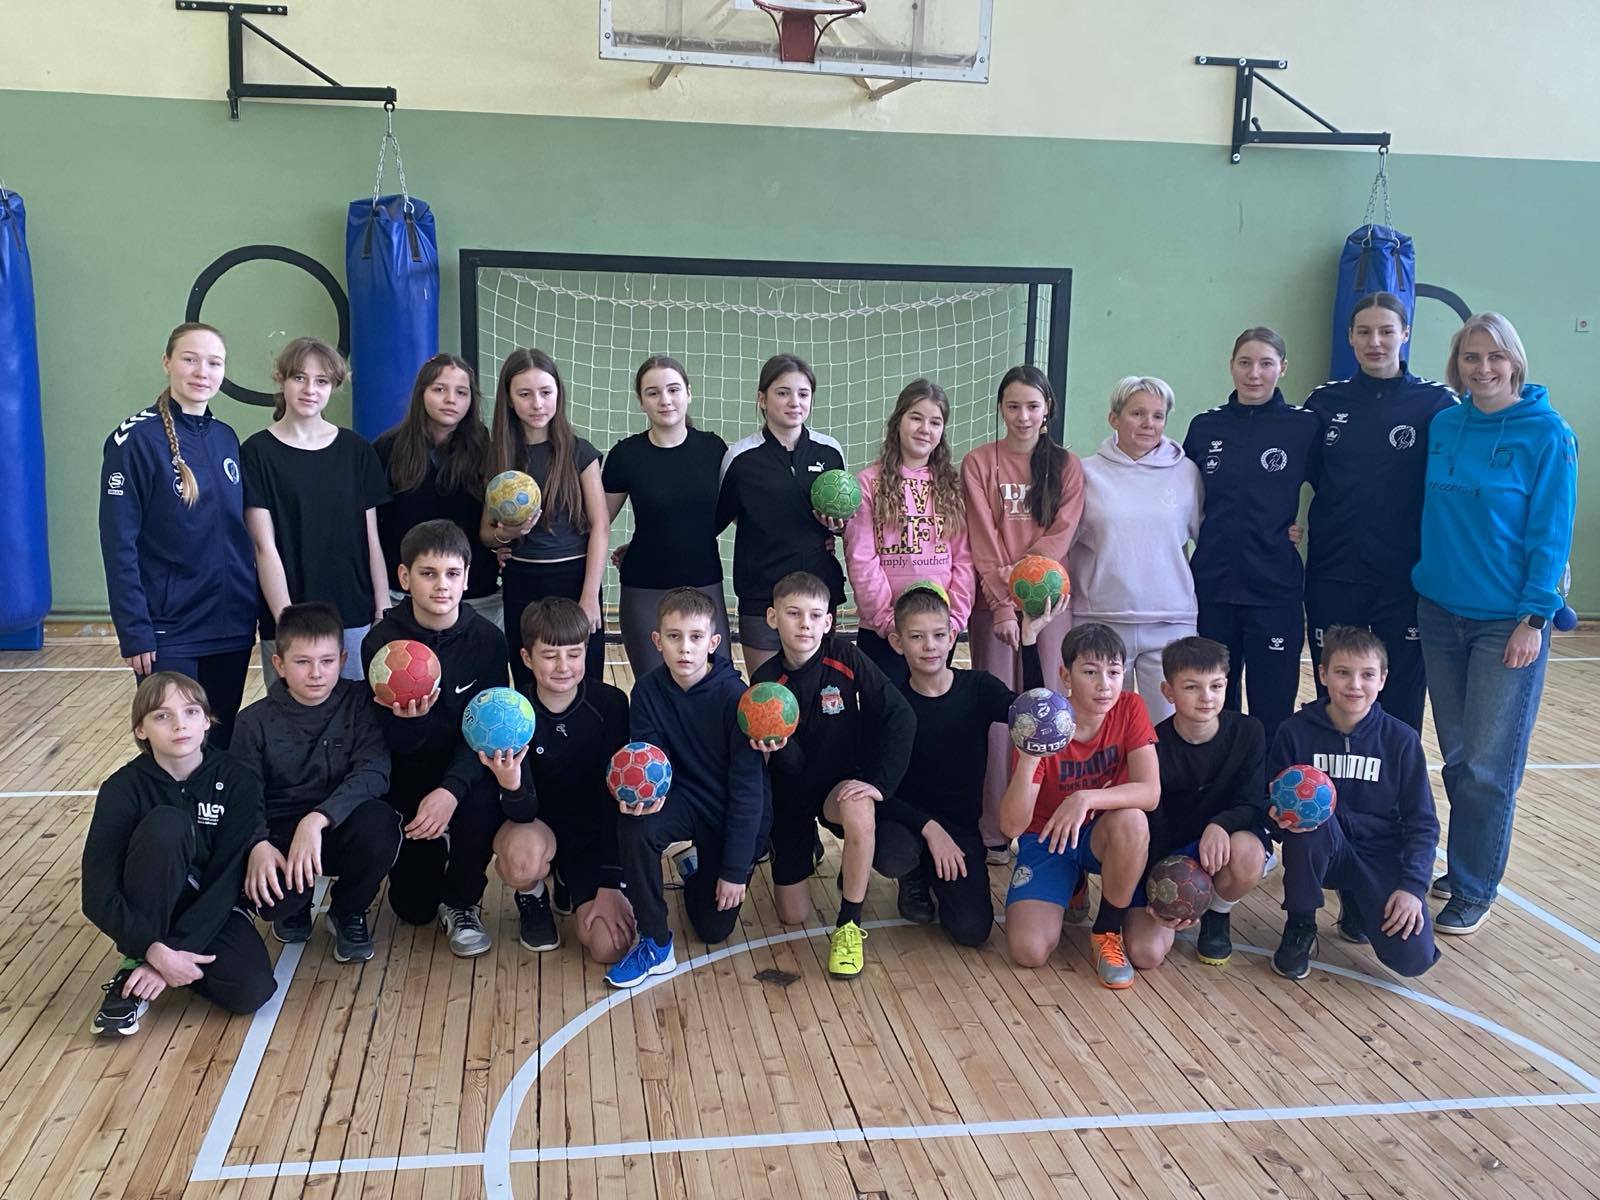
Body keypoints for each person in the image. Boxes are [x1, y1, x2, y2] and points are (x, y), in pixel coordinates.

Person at [1413, 313, 1578, 935]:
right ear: (1457, 364)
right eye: (1471, 357)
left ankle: (1475, 886)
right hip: (1438, 613)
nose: (1483, 368)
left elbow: (1552, 533)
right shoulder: (1445, 424)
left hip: (1506, 624)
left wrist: (1534, 617)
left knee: (1489, 764)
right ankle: (1466, 864)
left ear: (1515, 362)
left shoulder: (1548, 434)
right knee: (1458, 757)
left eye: (1494, 357)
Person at [81, 672, 275, 1037]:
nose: (179, 725)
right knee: (167, 825)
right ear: (141, 730)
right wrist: (151, 948)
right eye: (162, 716)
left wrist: (174, 951)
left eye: (190, 712)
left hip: (211, 907)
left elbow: (227, 878)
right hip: (147, 908)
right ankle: (133, 967)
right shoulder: (122, 788)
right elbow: (97, 893)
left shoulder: (238, 779)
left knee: (252, 989)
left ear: (207, 721)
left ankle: (159, 972)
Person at [1303, 292, 1457, 733]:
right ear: (1349, 337)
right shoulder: (1324, 403)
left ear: (1405, 334)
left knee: (1402, 693)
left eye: (1386, 331)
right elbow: (1301, 475)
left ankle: (1397, 777)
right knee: (1336, 690)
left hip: (1405, 578)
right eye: (1365, 332)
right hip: (1334, 572)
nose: (1375, 342)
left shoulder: (1436, 403)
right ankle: (1332, 775)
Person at [98, 322, 256, 748]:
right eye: (190, 359)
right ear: (167, 362)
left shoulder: (225, 438)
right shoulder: (134, 440)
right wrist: (135, 629)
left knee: (218, 745)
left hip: (231, 625)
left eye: (214, 362)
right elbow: (118, 543)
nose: (202, 371)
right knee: (175, 747)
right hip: (169, 630)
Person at [753, 571, 916, 978]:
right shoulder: (765, 682)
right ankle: (804, 845)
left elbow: (901, 715)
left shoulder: (845, 657)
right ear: (773, 618)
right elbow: (763, 768)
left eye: (814, 615)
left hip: (837, 788)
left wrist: (879, 785)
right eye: (793, 613)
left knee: (860, 807)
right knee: (793, 915)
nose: (804, 624)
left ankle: (848, 925)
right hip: (792, 797)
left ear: (828, 622)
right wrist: (769, 751)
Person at [606, 588, 770, 988]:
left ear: (713, 643)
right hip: (680, 797)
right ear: (657, 640)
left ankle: (699, 867)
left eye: (696, 637)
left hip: (727, 808)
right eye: (674, 636)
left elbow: (748, 792)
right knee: (635, 826)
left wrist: (734, 871)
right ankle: (655, 943)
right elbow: (650, 763)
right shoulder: (646, 692)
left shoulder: (736, 698)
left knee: (713, 928)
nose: (685, 648)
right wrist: (637, 798)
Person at [361, 520, 509, 958]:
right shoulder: (381, 643)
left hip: (466, 768)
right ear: (405, 577)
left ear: (467, 577)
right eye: (428, 573)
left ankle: (462, 902)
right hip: (407, 773)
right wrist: (412, 723)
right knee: (413, 909)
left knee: (484, 800)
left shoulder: (487, 640)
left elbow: (487, 731)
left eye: (451, 573)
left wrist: (451, 791)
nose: (441, 585)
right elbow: (386, 741)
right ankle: (423, 858)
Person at [879, 585, 1054, 947]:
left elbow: (1033, 716)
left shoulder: (977, 688)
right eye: (917, 637)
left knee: (972, 930)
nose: (929, 646)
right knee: (893, 852)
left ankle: (937, 873)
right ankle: (913, 874)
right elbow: (878, 789)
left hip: (961, 828)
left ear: (952, 637)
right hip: (908, 822)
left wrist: (1029, 640)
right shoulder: (890, 700)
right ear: (898, 642)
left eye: (938, 635)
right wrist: (930, 829)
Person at [960, 364, 1085, 864]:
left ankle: (1043, 823)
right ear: (1000, 409)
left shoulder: (1067, 465)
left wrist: (1028, 584)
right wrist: (1002, 604)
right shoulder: (979, 463)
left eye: (1032, 406)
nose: (1023, 416)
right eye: (1013, 406)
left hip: (1050, 607)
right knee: (999, 717)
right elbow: (981, 537)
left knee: (1049, 710)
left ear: (1047, 409)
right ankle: (993, 828)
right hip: (993, 607)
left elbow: (1062, 532)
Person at [233, 602, 401, 964]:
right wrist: (257, 844)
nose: (316, 673)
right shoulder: (251, 723)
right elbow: (243, 798)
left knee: (381, 823)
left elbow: (374, 771)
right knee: (274, 901)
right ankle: (296, 904)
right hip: (281, 836)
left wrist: (318, 818)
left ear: (342, 660)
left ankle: (348, 910)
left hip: (339, 826)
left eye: (326, 661)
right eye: (302, 662)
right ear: (279, 664)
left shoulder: (360, 702)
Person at [1269, 625, 1440, 980]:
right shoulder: (1295, 732)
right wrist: (1276, 818)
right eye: (1343, 673)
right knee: (1309, 821)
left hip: (1380, 854)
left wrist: (1413, 886)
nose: (1355, 685)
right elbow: (1266, 799)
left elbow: (1422, 823)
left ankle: (1358, 902)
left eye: (1367, 675)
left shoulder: (1401, 740)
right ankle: (1300, 923)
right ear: (1323, 674)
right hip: (1322, 850)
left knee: (1413, 959)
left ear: (1383, 679)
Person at [999, 623, 1159, 989]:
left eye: (1114, 672)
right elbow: (1010, 827)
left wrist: (1085, 798)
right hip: (1049, 838)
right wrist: (1029, 759)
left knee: (1134, 820)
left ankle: (1106, 931)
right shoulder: (1044, 722)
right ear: (1065, 675)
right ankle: (1072, 884)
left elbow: (1150, 792)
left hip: (1103, 836)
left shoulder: (1130, 707)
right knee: (1029, 951)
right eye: (1090, 672)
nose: (1105, 684)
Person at [1183, 328, 1322, 742]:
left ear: (1283, 368)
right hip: (1213, 588)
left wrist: (1303, 529)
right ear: (1231, 366)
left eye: (1266, 363)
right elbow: (1176, 497)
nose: (1254, 373)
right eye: (1245, 363)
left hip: (1273, 591)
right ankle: (1217, 783)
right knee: (1213, 709)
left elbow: (1335, 491)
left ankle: (1268, 785)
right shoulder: (1205, 427)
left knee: (1271, 711)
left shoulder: (1303, 426)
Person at [481, 598, 635, 962]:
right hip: (537, 829)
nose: (564, 666)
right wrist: (511, 783)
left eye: (574, 654)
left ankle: (568, 881)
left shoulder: (611, 704)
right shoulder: (512, 715)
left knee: (609, 947)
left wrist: (610, 882)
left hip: (591, 838)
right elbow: (521, 813)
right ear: (526, 658)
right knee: (522, 859)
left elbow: (614, 799)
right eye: (550, 656)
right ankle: (532, 896)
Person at [242, 337, 390, 688]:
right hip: (289, 613)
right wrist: (286, 620)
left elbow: (371, 539)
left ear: (333, 387)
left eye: (321, 381)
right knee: (289, 713)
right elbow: (264, 547)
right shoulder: (256, 452)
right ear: (281, 379)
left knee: (353, 712)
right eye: (300, 378)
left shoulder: (356, 450)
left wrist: (382, 606)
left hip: (352, 613)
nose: (310, 389)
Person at [1122, 636, 1272, 971]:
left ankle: (1217, 913)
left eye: (1216, 686)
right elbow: (1152, 827)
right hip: (1165, 854)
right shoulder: (1153, 747)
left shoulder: (1249, 731)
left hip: (1218, 846)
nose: (1207, 697)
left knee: (1249, 852)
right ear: (1168, 691)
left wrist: (1220, 825)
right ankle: (1184, 907)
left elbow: (1251, 803)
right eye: (1192, 687)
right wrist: (1168, 890)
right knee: (1146, 954)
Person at [1069, 376, 1203, 724]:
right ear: (1114, 418)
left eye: (1158, 416)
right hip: (1101, 621)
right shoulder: (1085, 473)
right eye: (1138, 413)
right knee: (1105, 728)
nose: (1149, 423)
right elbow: (1062, 542)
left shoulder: (1187, 472)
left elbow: (1209, 537)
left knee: (1169, 729)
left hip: (1171, 622)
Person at [483, 348, 610, 686]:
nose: (537, 403)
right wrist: (508, 534)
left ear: (558, 394)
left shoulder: (579, 452)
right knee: (529, 677)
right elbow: (486, 533)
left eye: (545, 392)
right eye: (525, 394)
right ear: (510, 400)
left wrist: (589, 596)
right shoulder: (500, 455)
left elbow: (600, 526)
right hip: (522, 579)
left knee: (583, 679)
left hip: (574, 577)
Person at [716, 354, 847, 675]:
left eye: (803, 394)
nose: (794, 402)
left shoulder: (830, 451)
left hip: (817, 593)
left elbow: (844, 522)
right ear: (762, 398)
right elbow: (721, 517)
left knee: (819, 692)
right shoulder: (740, 457)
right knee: (767, 694)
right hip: (761, 594)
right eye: (783, 392)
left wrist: (838, 527)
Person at [603, 355, 731, 676]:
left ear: (689, 393)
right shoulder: (626, 455)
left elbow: (736, 513)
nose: (665, 400)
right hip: (645, 587)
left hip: (704, 583)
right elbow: (596, 522)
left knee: (717, 684)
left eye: (673, 389)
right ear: (641, 401)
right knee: (653, 688)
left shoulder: (714, 450)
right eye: (653, 392)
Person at [844, 378, 974, 686]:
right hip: (884, 630)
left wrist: (953, 620)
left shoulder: (952, 486)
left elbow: (964, 560)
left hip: (938, 631)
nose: (924, 429)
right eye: (916, 418)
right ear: (898, 421)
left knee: (929, 707)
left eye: (935, 422)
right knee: (886, 710)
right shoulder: (868, 483)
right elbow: (862, 558)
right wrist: (889, 622)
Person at [373, 353, 501, 628]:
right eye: (440, 389)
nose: (451, 399)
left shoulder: (487, 449)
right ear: (422, 393)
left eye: (461, 392)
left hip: (476, 595)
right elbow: (372, 528)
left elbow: (495, 526)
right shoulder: (387, 448)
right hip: (402, 596)